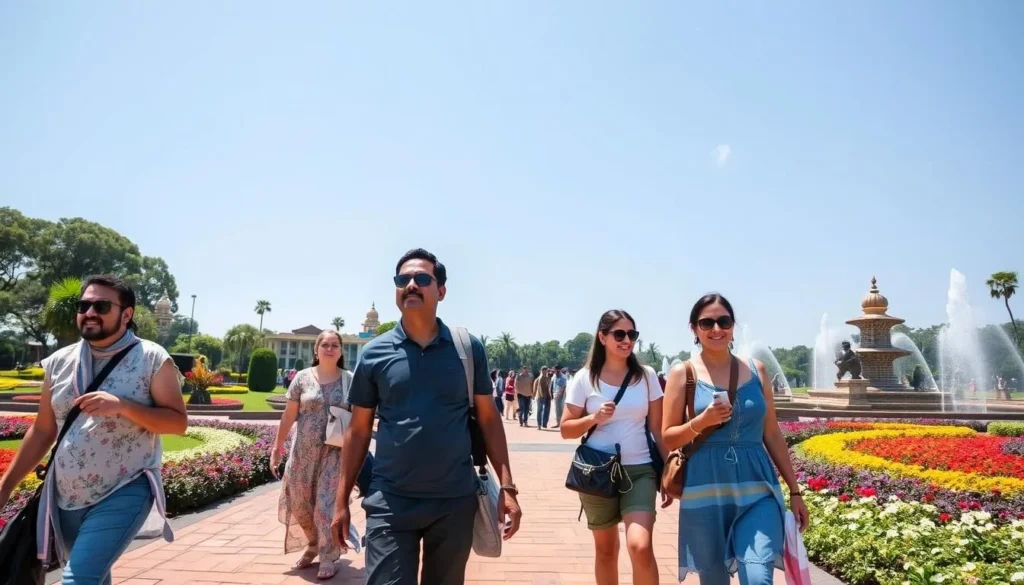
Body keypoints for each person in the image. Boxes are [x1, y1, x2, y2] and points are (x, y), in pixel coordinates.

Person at [331, 248, 523, 585]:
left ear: (441, 291)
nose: (411, 285)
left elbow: (490, 419)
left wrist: (507, 487)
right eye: (402, 279)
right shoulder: (375, 354)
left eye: (422, 278)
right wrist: (341, 499)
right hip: (390, 500)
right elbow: (359, 431)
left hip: (453, 501)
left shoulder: (467, 349)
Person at [0, 274, 187, 585]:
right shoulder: (59, 362)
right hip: (65, 497)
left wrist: (123, 406)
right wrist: (5, 488)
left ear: (126, 314)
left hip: (125, 489)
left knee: (78, 579)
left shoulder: (152, 359)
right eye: (84, 305)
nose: (89, 313)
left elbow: (177, 423)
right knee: (94, 577)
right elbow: (43, 431)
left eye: (101, 306)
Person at [661, 293, 809, 585]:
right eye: (707, 322)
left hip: (757, 487)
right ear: (694, 329)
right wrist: (701, 422)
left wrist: (794, 491)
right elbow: (668, 436)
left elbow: (772, 433)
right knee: (713, 578)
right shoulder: (683, 373)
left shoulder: (757, 370)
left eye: (723, 321)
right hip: (705, 489)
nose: (716, 329)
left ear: (733, 325)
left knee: (757, 575)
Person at [559, 309, 669, 585]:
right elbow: (565, 429)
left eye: (632, 334)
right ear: (602, 337)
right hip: (597, 471)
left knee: (640, 546)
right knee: (606, 550)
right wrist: (593, 418)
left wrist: (668, 468)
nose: (627, 340)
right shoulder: (585, 378)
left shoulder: (646, 376)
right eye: (619, 334)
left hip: (640, 471)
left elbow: (658, 428)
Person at [271, 330, 353, 579]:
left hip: (334, 453)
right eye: (325, 344)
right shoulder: (302, 379)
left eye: (335, 345)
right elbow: (289, 414)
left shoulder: (350, 380)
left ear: (341, 351)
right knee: (299, 503)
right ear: (316, 350)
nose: (330, 348)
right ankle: (314, 543)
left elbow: (361, 416)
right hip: (302, 452)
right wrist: (277, 447)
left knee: (325, 507)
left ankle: (328, 554)